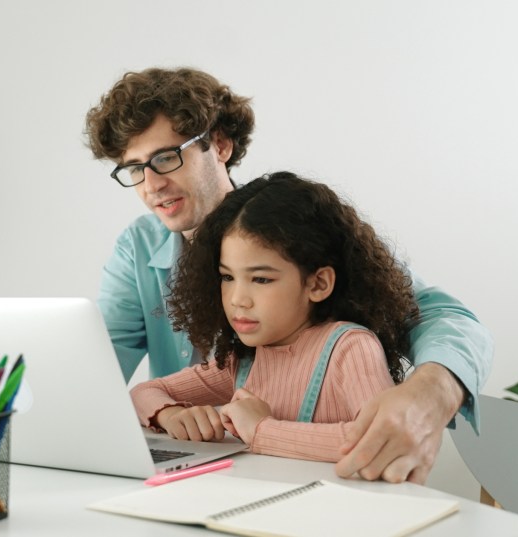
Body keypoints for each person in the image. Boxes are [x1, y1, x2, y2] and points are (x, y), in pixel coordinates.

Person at [84, 67, 493, 483]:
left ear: (220, 144)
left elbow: (450, 321)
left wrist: (432, 391)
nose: (151, 185)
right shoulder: (137, 246)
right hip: (202, 477)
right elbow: (95, 370)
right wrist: (167, 411)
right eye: (133, 169)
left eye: (166, 158)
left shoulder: (301, 230)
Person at [130, 172, 418, 461]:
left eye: (261, 280)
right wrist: (170, 414)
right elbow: (144, 392)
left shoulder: (350, 348)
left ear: (317, 284)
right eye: (227, 277)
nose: (237, 299)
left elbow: (379, 441)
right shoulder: (243, 360)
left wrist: (260, 430)